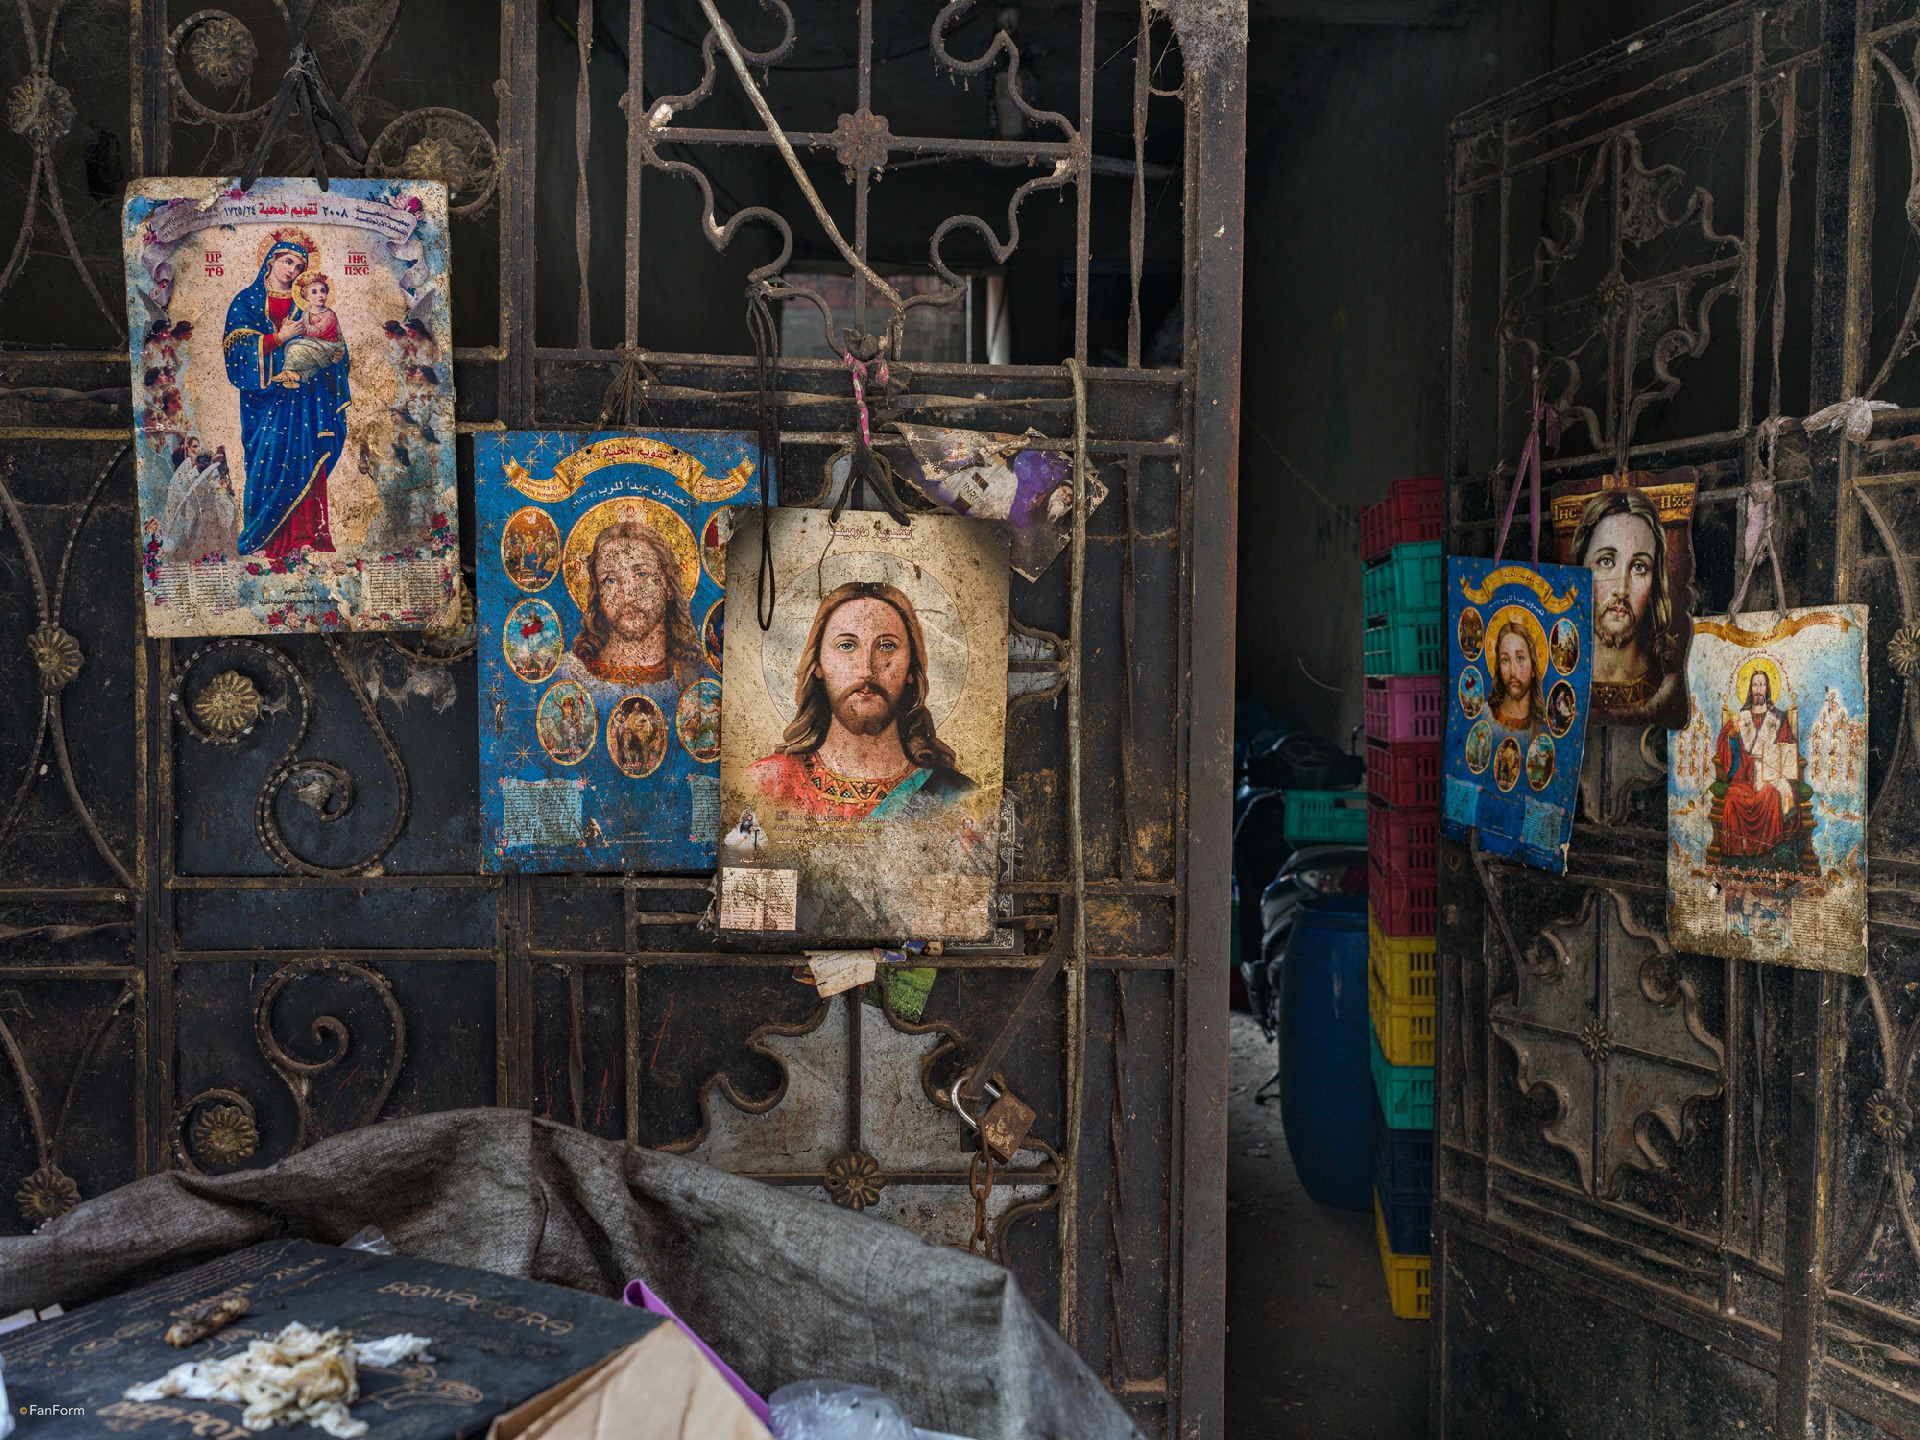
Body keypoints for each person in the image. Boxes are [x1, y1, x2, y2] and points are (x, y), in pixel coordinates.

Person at [744, 581, 976, 822]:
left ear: (911, 666)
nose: (866, 670)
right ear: (818, 664)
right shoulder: (765, 785)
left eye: (887, 646)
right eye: (846, 646)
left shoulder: (955, 797)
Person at [223, 230, 349, 558]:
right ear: (270, 261)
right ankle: (262, 541)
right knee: (265, 464)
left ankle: (307, 537)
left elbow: (333, 343)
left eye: (299, 266)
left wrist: (335, 354)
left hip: (304, 400)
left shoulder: (307, 303)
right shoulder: (247, 301)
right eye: (287, 262)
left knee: (304, 460)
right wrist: (279, 338)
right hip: (262, 401)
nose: (292, 270)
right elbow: (236, 352)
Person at [555, 521, 704, 711]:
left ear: (668, 586)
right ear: (598, 594)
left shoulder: (693, 676)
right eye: (610, 580)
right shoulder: (572, 675)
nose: (627, 596)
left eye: (641, 574)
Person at [1572, 488, 1680, 720]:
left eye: (1639, 567)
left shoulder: (1666, 684)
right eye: (1606, 561)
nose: (1621, 589)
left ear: (1654, 581)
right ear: (1580, 567)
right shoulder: (1553, 675)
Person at [1715, 668, 1802, 863]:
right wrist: (1732, 737)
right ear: (1750, 689)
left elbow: (1787, 747)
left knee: (1772, 794)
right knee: (1732, 797)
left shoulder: (1778, 718)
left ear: (1767, 689)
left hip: (1769, 776)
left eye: (1762, 684)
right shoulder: (1740, 717)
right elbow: (1724, 741)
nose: (1758, 689)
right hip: (1744, 777)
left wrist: (1777, 756)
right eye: (1755, 684)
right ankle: (1736, 859)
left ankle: (1767, 854)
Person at [1490, 619, 1548, 734]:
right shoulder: (1484, 715)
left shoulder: (1543, 728)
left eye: (1520, 658)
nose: (1513, 671)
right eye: (1505, 660)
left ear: (1533, 669)